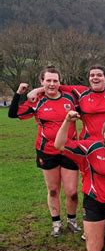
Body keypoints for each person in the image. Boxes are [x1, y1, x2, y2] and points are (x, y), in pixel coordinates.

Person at [8, 66, 80, 237]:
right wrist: (19, 93)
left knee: (72, 191)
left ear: (60, 82)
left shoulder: (71, 98)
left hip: (70, 150)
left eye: (55, 80)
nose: (52, 84)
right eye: (48, 80)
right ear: (42, 81)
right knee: (53, 190)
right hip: (46, 151)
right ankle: (56, 223)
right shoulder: (37, 100)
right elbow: (13, 114)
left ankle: (72, 221)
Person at [55, 112, 105, 251]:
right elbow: (59, 144)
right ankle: (100, 228)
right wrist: (67, 120)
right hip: (94, 201)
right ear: (103, 134)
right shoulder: (90, 148)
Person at [27, 50, 105, 141]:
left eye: (99, 75)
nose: (95, 77)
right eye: (92, 75)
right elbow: (56, 85)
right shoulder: (81, 92)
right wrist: (37, 90)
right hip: (88, 142)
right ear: (89, 79)